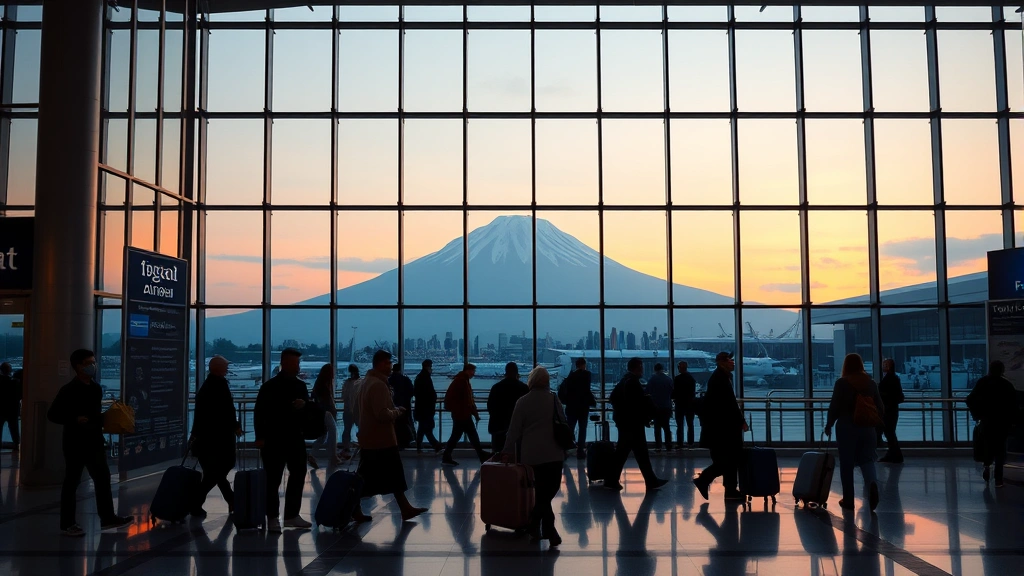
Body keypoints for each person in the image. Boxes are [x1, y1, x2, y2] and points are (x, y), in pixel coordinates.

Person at [48, 349, 133, 537]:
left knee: (102, 478)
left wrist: (111, 418)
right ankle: (68, 523)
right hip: (75, 442)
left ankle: (108, 518)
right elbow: (53, 414)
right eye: (89, 362)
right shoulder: (68, 390)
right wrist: (75, 419)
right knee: (72, 481)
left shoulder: (95, 388)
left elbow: (95, 416)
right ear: (78, 366)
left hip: (94, 440)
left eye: (93, 362)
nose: (93, 366)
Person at [354, 350, 429, 521]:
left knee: (383, 476)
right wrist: (398, 411)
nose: (390, 366)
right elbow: (382, 414)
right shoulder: (379, 385)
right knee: (381, 476)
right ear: (381, 364)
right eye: (388, 363)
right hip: (381, 439)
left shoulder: (366, 382)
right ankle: (354, 506)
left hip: (370, 438)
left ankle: (404, 508)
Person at [499, 366, 567, 546]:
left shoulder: (522, 402)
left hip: (531, 454)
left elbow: (513, 431)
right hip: (554, 452)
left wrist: (507, 451)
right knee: (550, 490)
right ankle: (547, 528)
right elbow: (563, 421)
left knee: (541, 491)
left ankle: (535, 523)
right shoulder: (553, 399)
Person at [254, 347, 312, 532]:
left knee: (297, 474)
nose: (298, 367)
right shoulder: (270, 387)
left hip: (292, 437)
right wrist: (261, 437)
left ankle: (289, 515)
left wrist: (305, 406)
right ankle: (275, 516)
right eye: (295, 363)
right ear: (284, 363)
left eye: (298, 363)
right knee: (274, 479)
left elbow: (259, 412)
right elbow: (260, 413)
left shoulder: (296, 386)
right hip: (275, 439)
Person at [825, 353, 884, 511]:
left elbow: (834, 406)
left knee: (846, 464)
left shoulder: (842, 383)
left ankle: (849, 499)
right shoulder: (871, 383)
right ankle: (872, 485)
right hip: (867, 429)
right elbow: (880, 407)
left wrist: (829, 424)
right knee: (867, 460)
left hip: (846, 427)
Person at [189, 355, 243, 517]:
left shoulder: (207, 386)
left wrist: (195, 434)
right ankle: (197, 501)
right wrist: (235, 426)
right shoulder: (219, 386)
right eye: (225, 366)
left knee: (214, 471)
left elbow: (202, 414)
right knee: (220, 469)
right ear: (218, 368)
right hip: (219, 437)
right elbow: (226, 410)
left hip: (207, 438)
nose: (227, 369)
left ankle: (230, 499)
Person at [606, 358, 668, 492]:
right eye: (641, 367)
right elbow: (639, 403)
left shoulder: (624, 381)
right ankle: (650, 481)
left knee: (625, 452)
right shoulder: (633, 382)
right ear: (638, 367)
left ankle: (612, 479)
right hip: (633, 423)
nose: (642, 370)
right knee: (639, 453)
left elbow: (613, 398)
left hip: (626, 423)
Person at [693, 352, 747, 502]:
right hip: (723, 429)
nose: (733, 362)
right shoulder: (720, 379)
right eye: (730, 360)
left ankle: (729, 489)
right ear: (722, 362)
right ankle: (704, 480)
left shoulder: (719, 377)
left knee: (727, 460)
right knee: (728, 460)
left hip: (719, 428)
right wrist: (741, 420)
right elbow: (729, 404)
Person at [966, 360, 1019, 488]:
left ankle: (987, 465)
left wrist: (977, 415)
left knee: (987, 445)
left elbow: (970, 399)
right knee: (1000, 449)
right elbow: (1013, 405)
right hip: (1002, 423)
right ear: (1002, 370)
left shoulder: (982, 383)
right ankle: (999, 480)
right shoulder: (1006, 385)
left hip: (986, 421)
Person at [442, 363, 489, 466]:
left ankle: (446, 456)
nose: (474, 374)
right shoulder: (463, 381)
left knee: (457, 436)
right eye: (473, 371)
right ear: (468, 370)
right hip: (463, 414)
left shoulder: (460, 380)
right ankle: (481, 455)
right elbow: (468, 400)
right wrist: (475, 413)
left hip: (459, 413)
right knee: (472, 435)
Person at [487, 362, 529, 454]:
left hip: (498, 427)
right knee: (517, 456)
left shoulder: (496, 388)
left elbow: (490, 407)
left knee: (498, 456)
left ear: (505, 372)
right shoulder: (524, 388)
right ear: (517, 373)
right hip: (518, 429)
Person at [558, 357, 596, 457]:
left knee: (570, 428)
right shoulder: (587, 375)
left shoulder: (570, 376)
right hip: (583, 407)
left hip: (571, 407)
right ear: (584, 365)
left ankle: (565, 450)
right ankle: (580, 450)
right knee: (582, 429)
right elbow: (586, 390)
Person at [309, 364, 342, 467]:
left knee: (323, 436)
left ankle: (312, 454)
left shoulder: (320, 384)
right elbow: (328, 402)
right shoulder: (325, 386)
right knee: (332, 433)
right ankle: (333, 457)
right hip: (327, 413)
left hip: (323, 413)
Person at [878, 358, 905, 464]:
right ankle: (893, 454)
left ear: (888, 366)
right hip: (892, 410)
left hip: (888, 410)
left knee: (889, 433)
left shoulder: (889, 379)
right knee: (890, 433)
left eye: (884, 364)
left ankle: (896, 455)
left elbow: (890, 394)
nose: (882, 366)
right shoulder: (894, 378)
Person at [414, 359, 443, 452]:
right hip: (426, 408)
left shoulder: (419, 377)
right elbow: (429, 394)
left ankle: (419, 445)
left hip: (421, 408)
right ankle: (436, 445)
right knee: (426, 428)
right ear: (427, 367)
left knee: (422, 428)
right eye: (431, 367)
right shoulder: (426, 378)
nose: (432, 369)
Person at [645, 363, 674, 452]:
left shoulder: (652, 379)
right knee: (666, 427)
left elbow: (647, 391)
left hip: (656, 407)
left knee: (657, 427)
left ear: (654, 369)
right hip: (666, 406)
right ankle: (668, 445)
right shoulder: (668, 379)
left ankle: (658, 446)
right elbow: (672, 392)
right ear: (662, 369)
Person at [389, 364, 416, 449]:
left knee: (395, 425)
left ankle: (395, 442)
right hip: (405, 406)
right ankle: (406, 442)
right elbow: (412, 392)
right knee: (405, 424)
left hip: (392, 407)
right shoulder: (405, 380)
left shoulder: (389, 380)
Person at [673, 361, 698, 449]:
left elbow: (674, 392)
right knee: (690, 424)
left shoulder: (677, 379)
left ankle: (680, 443)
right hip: (690, 404)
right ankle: (690, 442)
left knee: (679, 425)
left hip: (680, 404)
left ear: (679, 368)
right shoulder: (691, 379)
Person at [340, 364, 360, 458]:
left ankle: (346, 447)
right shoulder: (361, 383)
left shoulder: (346, 383)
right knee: (361, 428)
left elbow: (343, 396)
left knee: (347, 429)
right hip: (358, 410)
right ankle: (362, 445)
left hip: (348, 409)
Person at [0, 362, 20, 452]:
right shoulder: (15, 382)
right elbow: (19, 395)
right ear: (10, 370)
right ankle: (16, 445)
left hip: (1, 409)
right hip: (13, 409)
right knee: (14, 429)